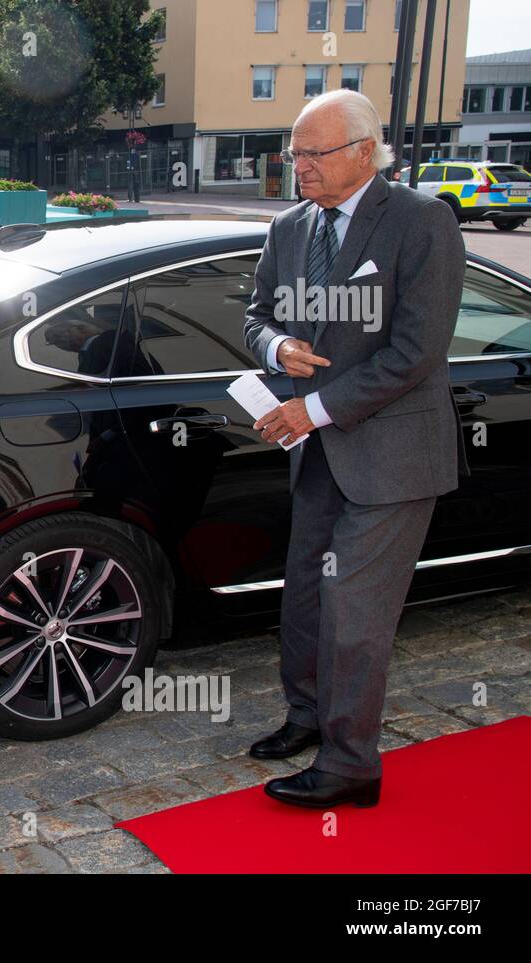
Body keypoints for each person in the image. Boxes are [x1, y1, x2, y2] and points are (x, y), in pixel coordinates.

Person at [242, 89, 468, 808]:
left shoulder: (421, 221)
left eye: (314, 153)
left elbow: (414, 352)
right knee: (306, 597)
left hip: (392, 457)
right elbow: (256, 314)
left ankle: (351, 764)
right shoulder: (288, 226)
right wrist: (278, 342)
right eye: (295, 152)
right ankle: (306, 716)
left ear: (364, 151)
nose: (298, 166)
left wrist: (309, 409)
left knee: (355, 610)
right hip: (320, 455)